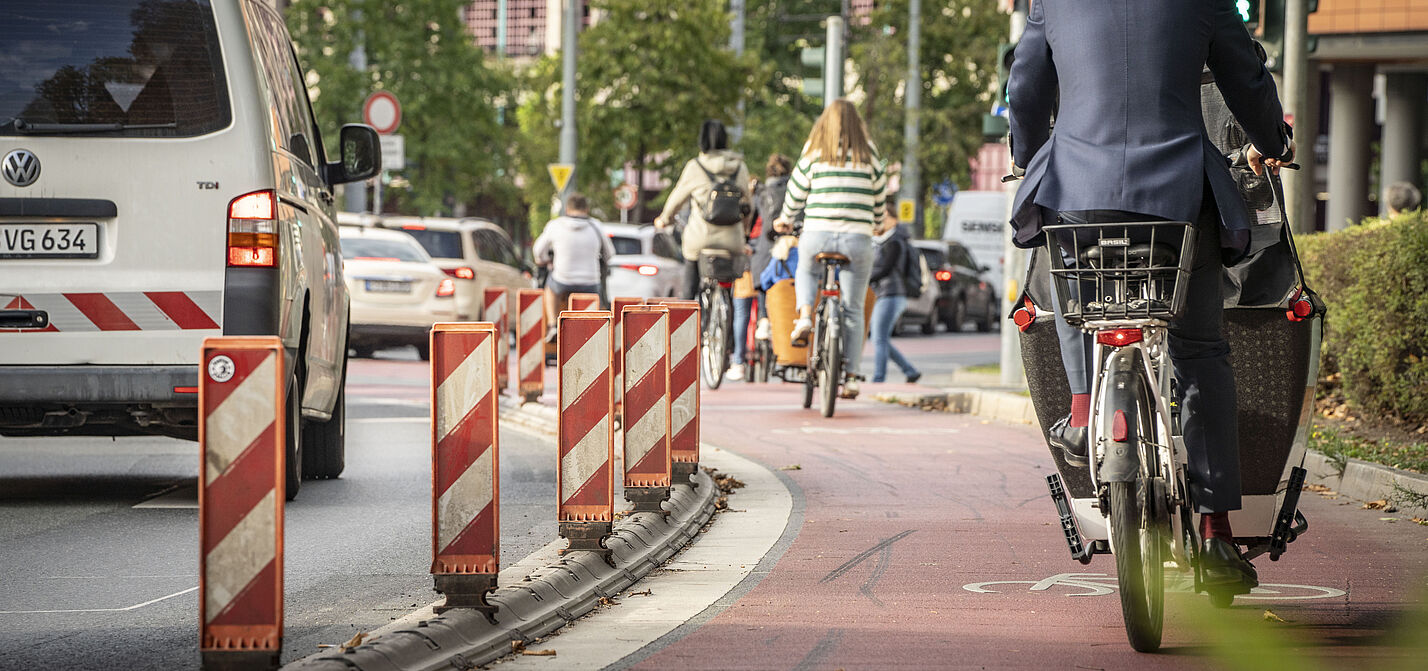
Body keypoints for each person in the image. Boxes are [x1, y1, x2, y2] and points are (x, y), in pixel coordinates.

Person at [1008, 1, 1294, 589]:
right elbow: (1246, 79)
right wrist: (1274, 140)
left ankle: (1086, 410)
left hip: (1080, 188)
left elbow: (1027, 86)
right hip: (1178, 193)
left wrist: (1026, 154)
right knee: (1199, 351)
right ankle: (1216, 533)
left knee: (1073, 290)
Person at [774, 99, 888, 399]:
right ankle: (850, 377)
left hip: (818, 234)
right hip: (857, 239)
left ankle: (805, 318)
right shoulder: (869, 154)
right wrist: (875, 222)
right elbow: (880, 198)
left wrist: (785, 219)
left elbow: (796, 190)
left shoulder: (815, 151)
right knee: (852, 308)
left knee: (806, 268)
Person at [654, 120, 753, 301]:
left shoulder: (695, 166)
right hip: (732, 241)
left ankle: (687, 311)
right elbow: (748, 206)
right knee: (729, 287)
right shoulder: (740, 167)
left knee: (689, 289)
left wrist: (664, 219)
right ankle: (725, 308)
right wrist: (745, 233)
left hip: (700, 239)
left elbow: (676, 200)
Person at [731, 153, 795, 381]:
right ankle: (777, 340)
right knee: (782, 302)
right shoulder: (794, 191)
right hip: (786, 256)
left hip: (755, 257)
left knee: (742, 310)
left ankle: (738, 361)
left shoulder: (759, 193)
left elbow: (748, 221)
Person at [532, 193, 616, 335]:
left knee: (550, 289)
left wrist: (545, 260)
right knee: (599, 299)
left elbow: (538, 251)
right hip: (590, 282)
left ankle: (553, 325)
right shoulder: (596, 226)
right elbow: (610, 254)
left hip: (562, 280)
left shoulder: (555, 225)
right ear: (587, 209)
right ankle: (595, 333)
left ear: (567, 209)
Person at [867, 212, 922, 383]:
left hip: (892, 294)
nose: (880, 222)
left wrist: (864, 279)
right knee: (880, 338)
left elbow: (886, 269)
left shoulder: (895, 242)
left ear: (894, 220)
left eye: (884, 218)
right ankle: (909, 370)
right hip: (885, 294)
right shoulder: (882, 241)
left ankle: (878, 378)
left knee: (879, 338)